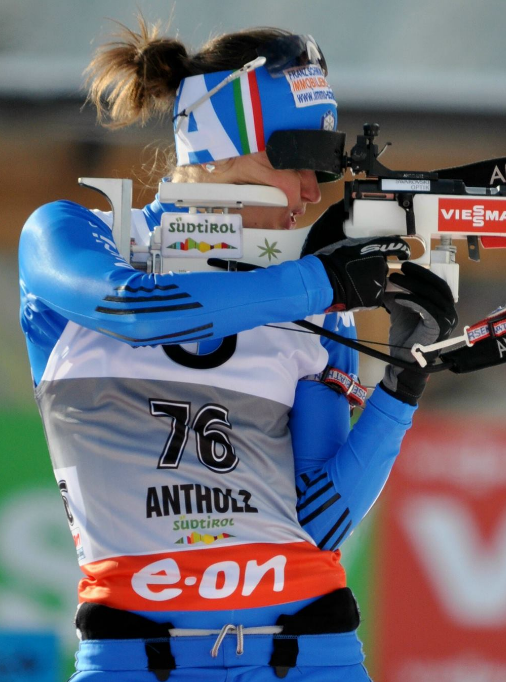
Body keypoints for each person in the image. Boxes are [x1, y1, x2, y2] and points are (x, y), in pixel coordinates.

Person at [18, 18, 455, 682]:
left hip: (310, 654)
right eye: (296, 159)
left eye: (323, 168)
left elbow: (320, 521)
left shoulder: (309, 295)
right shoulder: (74, 232)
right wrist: (317, 283)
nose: (312, 192)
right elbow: (133, 308)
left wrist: (403, 383)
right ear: (214, 145)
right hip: (138, 657)